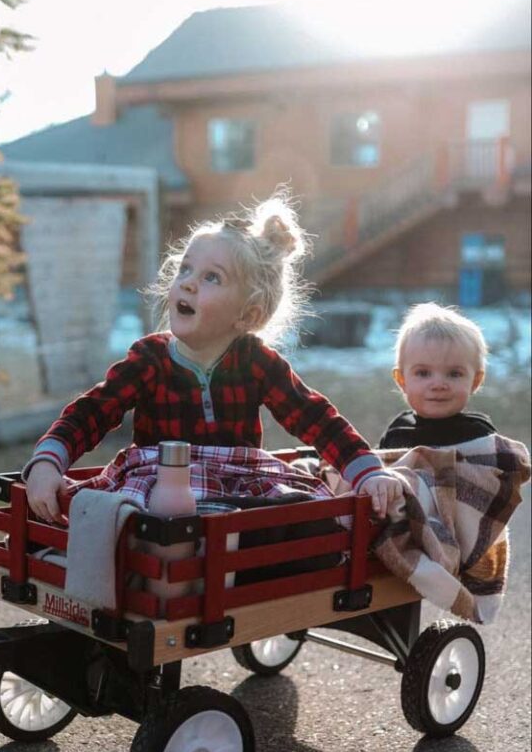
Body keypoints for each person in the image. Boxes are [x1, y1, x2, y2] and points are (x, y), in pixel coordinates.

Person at [25, 194, 403, 522]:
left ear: (248, 315)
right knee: (130, 520)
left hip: (238, 485)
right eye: (185, 269)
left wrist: (366, 471)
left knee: (303, 512)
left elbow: (315, 418)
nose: (187, 282)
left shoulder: (256, 362)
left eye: (212, 278)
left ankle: (262, 570)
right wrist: (48, 461)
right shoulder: (150, 359)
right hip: (161, 483)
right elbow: (91, 413)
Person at [379, 302, 496, 449]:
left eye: (454, 374)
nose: (438, 385)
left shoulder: (481, 437)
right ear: (401, 380)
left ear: (475, 381)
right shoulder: (397, 433)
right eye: (423, 373)